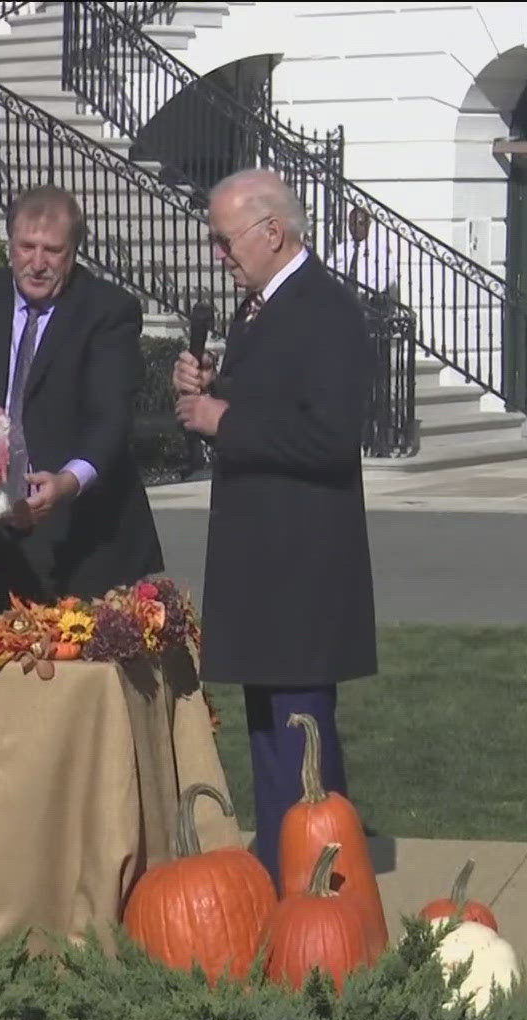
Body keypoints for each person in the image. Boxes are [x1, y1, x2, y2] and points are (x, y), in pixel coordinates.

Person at [172, 168, 379, 891]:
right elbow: (271, 412)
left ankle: (316, 888)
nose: (218, 255)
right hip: (259, 564)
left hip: (302, 568)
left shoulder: (325, 310)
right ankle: (284, 869)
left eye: (224, 241)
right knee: (268, 735)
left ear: (272, 232)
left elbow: (327, 438)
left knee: (300, 736)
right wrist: (212, 395)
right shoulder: (257, 311)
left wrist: (224, 418)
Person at [0, 185, 163, 608]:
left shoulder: (109, 310)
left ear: (73, 253)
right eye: (26, 247)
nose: (37, 264)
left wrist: (68, 482)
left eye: (52, 251)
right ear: (10, 245)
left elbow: (110, 418)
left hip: (88, 540)